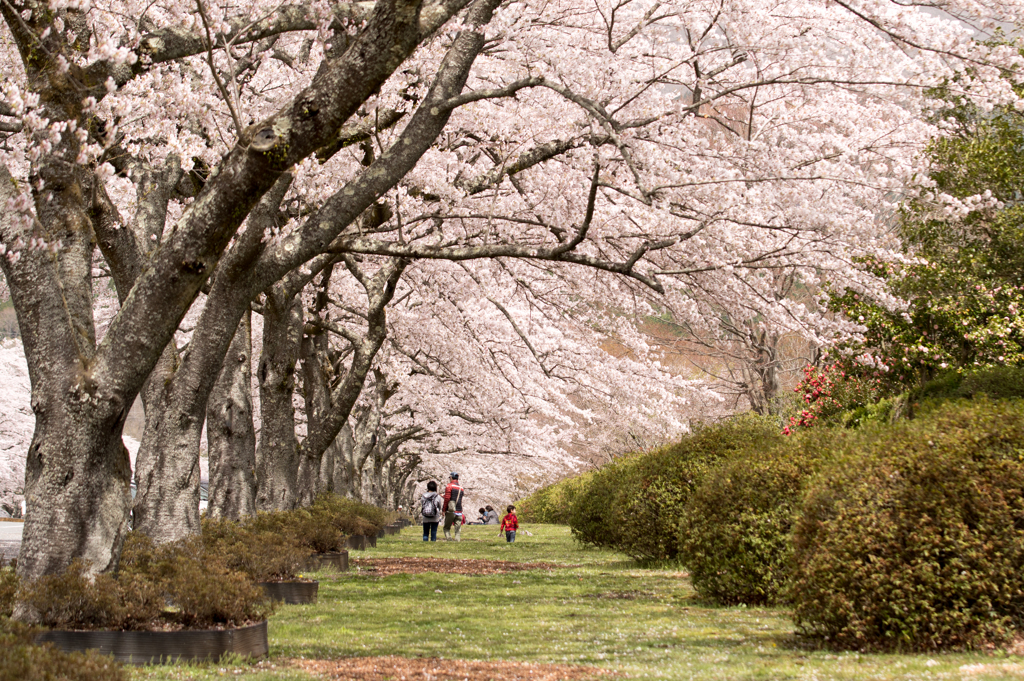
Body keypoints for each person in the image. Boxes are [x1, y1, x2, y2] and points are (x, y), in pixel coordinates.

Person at [442, 472, 465, 541]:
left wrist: (444, 510)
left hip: (451, 510)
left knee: (446, 528)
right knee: (457, 529)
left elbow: (447, 499)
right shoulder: (461, 488)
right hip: (459, 510)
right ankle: (457, 541)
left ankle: (449, 540)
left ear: (451, 477)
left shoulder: (449, 486)